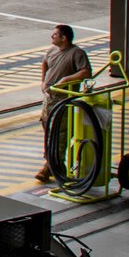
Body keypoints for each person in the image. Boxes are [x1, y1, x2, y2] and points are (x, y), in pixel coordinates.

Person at [35, 23, 92, 184]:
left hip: (63, 101)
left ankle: (48, 167)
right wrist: (43, 82)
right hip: (49, 99)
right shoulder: (52, 50)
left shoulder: (76, 53)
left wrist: (66, 79)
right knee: (48, 130)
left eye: (54, 35)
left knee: (60, 134)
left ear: (64, 38)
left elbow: (86, 72)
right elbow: (45, 62)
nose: (52, 37)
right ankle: (55, 163)